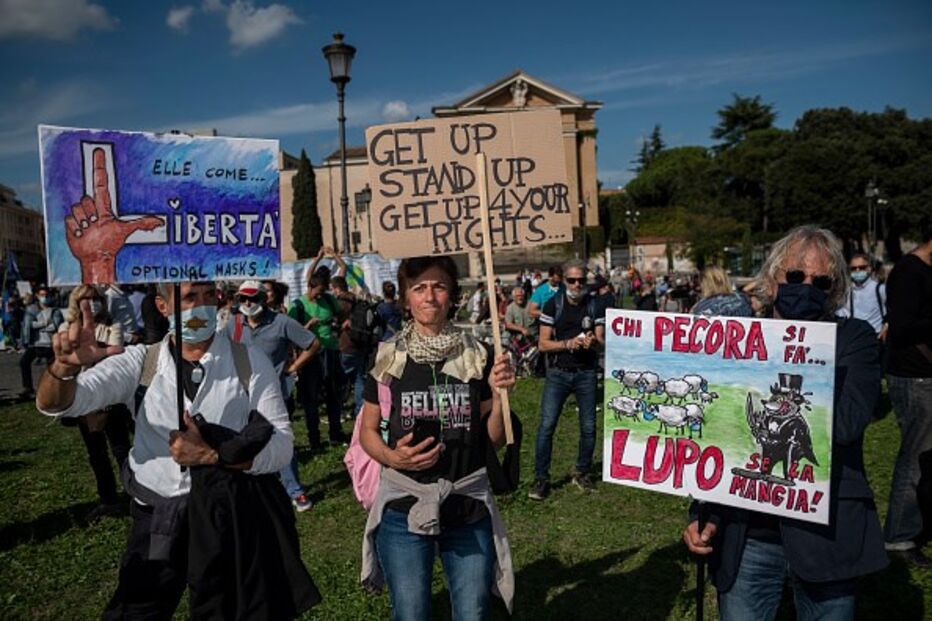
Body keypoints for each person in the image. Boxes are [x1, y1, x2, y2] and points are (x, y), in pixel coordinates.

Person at [35, 281, 317, 618]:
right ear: (163, 306)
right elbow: (58, 403)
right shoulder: (141, 362)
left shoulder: (249, 361)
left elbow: (282, 445)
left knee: (225, 609)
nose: (202, 305)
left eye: (209, 295)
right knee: (139, 608)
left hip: (225, 516)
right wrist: (62, 369)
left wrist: (214, 456)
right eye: (189, 297)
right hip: (159, 518)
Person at [683, 225, 888, 619]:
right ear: (771, 280)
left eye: (820, 281)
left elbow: (846, 425)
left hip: (825, 534)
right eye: (795, 276)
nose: (805, 288)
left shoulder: (855, 339)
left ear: (834, 289)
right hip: (749, 535)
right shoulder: (740, 341)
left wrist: (795, 356)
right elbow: (718, 433)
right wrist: (703, 515)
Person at [358, 256, 516, 620]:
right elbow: (368, 430)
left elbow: (493, 440)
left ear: (452, 296)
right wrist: (392, 457)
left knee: (473, 612)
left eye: (439, 286)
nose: (429, 296)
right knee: (411, 612)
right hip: (403, 507)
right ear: (406, 299)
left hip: (467, 504)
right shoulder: (387, 357)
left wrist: (499, 396)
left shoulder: (479, 355)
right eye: (419, 288)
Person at [225, 280, 320, 512]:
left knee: (280, 441)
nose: (248, 303)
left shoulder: (281, 322)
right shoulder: (234, 323)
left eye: (253, 298)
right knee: (242, 442)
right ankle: (252, 490)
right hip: (241, 395)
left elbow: (313, 343)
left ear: (263, 299)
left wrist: (293, 367)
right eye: (243, 298)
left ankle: (294, 490)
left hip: (274, 394)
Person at [529, 259, 605, 500]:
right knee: (547, 426)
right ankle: (541, 478)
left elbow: (602, 343)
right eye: (571, 280)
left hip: (586, 373)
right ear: (563, 281)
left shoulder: (594, 305)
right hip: (558, 373)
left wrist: (593, 342)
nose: (576, 285)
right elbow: (543, 344)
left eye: (581, 280)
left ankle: (582, 471)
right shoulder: (553, 304)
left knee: (589, 427)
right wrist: (568, 343)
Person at [57, 285, 131, 521]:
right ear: (76, 302)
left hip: (111, 397)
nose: (91, 302)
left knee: (121, 448)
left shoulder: (112, 325)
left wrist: (91, 355)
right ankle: (108, 499)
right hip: (84, 398)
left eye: (95, 298)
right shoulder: (67, 329)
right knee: (96, 452)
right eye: (85, 299)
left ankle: (136, 494)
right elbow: (66, 362)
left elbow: (116, 358)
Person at [882, 223, 932, 567]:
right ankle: (899, 536)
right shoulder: (908, 273)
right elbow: (901, 328)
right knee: (916, 455)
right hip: (914, 377)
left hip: (924, 375)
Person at [288, 272, 348, 449]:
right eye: (318, 292)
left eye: (323, 292)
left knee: (333, 395)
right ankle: (314, 438)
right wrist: (307, 327)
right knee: (311, 398)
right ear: (310, 287)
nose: (320, 295)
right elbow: (291, 333)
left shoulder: (329, 300)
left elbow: (341, 315)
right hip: (309, 356)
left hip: (330, 351)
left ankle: (335, 434)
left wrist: (338, 325)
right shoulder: (298, 306)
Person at [332, 276, 378, 421]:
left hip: (346, 344)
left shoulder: (341, 303)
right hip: (361, 343)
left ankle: (338, 411)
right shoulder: (357, 300)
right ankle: (360, 411)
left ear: (337, 288)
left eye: (333, 289)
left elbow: (335, 322)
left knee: (341, 380)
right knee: (359, 380)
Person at [20, 285, 63, 398]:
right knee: (24, 362)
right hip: (35, 344)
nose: (45, 298)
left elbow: (55, 326)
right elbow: (29, 325)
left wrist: (38, 326)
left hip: (50, 344)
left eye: (46, 295)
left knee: (52, 368)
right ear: (37, 296)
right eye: (42, 295)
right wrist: (44, 324)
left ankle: (53, 389)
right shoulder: (32, 309)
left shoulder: (55, 311)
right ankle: (28, 388)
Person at [836, 253, 887, 339]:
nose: (857, 270)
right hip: (854, 336)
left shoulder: (879, 289)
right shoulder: (846, 291)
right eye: (853, 268)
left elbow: (893, 310)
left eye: (862, 267)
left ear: (869, 269)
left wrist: (886, 326)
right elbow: (841, 313)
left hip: (875, 336)